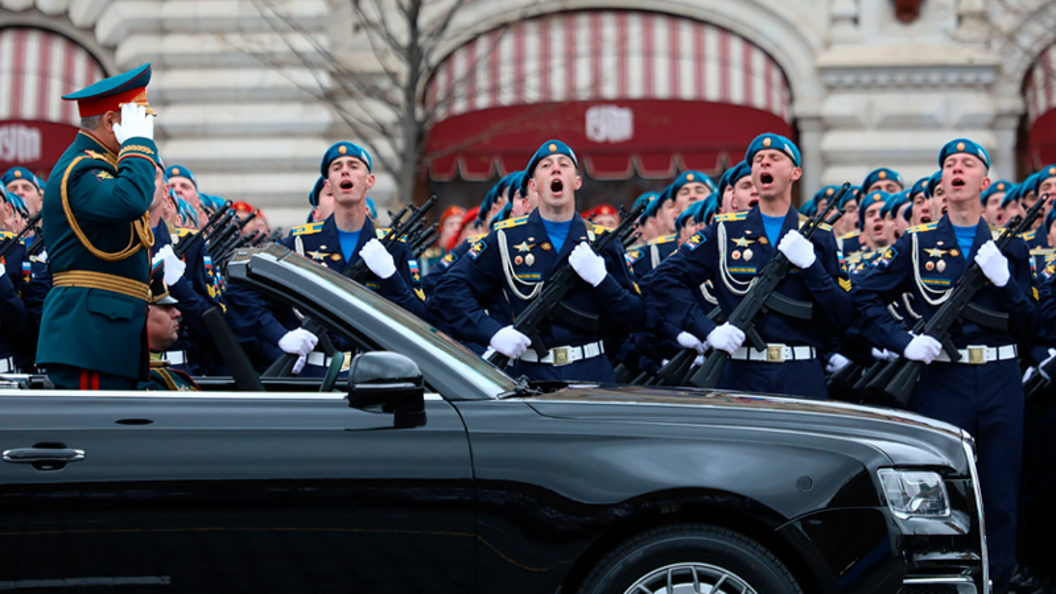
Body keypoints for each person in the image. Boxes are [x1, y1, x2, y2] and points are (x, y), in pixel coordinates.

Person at [851, 139, 1036, 592]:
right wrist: (903, 343)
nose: (956, 169)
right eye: (949, 164)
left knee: (1001, 498)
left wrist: (1006, 281)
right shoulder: (918, 243)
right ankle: (937, 583)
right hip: (942, 379)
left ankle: (996, 583)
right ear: (941, 184)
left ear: (984, 181)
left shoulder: (1008, 247)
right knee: (936, 493)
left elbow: (1034, 323)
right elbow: (864, 297)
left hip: (998, 378)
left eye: (967, 164)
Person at [646, 133, 852, 399]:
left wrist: (812, 267)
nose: (764, 164)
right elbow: (662, 280)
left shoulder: (819, 235)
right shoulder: (724, 231)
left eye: (774, 158)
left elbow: (843, 315)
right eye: (758, 160)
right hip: (740, 373)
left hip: (801, 373)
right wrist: (707, 330)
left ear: (795, 172)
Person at [431, 139, 645, 381]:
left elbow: (635, 318)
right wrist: (493, 333)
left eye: (564, 164)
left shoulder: (602, 241)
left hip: (591, 374)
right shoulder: (505, 238)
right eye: (546, 166)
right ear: (533, 185)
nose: (555, 169)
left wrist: (602, 280)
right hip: (529, 377)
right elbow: (449, 291)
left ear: (576, 182)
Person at [36, 63, 159, 390]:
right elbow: (131, 200)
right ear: (110, 122)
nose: (146, 131)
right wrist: (139, 146)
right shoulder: (83, 169)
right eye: (137, 122)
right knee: (93, 439)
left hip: (106, 335)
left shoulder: (102, 165)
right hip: (89, 338)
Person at [138, 261, 199, 391]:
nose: (177, 313)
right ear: (141, 314)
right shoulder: (144, 380)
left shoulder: (160, 374)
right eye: (165, 308)